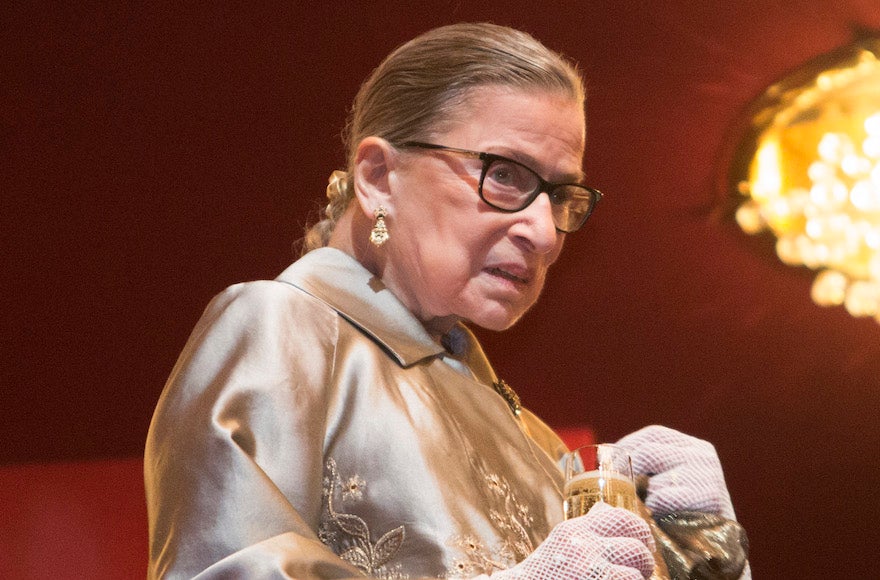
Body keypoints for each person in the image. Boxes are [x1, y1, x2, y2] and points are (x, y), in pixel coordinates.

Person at [145, 22, 748, 579]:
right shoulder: (280, 326)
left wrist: (697, 551)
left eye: (562, 194)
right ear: (379, 177)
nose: (543, 232)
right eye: (506, 173)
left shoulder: (535, 443)